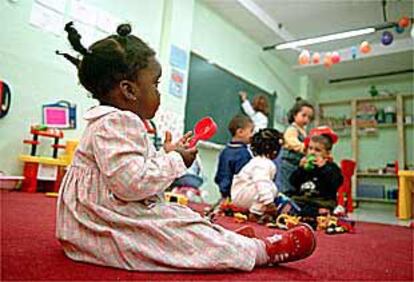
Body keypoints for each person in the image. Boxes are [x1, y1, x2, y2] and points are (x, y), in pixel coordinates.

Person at [55, 21, 316, 271]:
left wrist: (166, 154)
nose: (159, 92)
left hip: (90, 223)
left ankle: (227, 242)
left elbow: (127, 170)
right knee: (177, 226)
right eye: (155, 84)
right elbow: (131, 184)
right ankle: (259, 251)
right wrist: (175, 161)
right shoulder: (119, 121)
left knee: (179, 215)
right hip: (104, 226)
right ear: (129, 90)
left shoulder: (108, 121)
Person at [289, 129, 343, 220]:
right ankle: (306, 214)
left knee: (319, 209)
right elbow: (293, 182)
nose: (312, 152)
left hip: (321, 201)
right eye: (310, 148)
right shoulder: (305, 166)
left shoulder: (331, 167)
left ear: (327, 153)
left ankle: (317, 213)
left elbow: (335, 183)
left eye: (317, 150)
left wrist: (323, 168)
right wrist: (300, 168)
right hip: (302, 200)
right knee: (290, 204)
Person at [231, 129, 283, 220]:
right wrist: (269, 203)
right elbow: (261, 182)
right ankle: (256, 213)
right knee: (270, 188)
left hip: (240, 194)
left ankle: (256, 211)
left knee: (268, 188)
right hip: (242, 195)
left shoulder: (257, 160)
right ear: (275, 151)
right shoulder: (264, 163)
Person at [276, 97, 314, 195]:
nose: (306, 119)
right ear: (294, 115)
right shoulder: (292, 129)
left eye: (309, 117)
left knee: (295, 188)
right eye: (303, 115)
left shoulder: (303, 131)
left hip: (296, 165)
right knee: (286, 189)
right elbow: (293, 142)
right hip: (288, 164)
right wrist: (304, 148)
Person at [214, 114, 254, 199]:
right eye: (251, 131)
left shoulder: (225, 151)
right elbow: (245, 178)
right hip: (238, 196)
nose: (252, 135)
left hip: (224, 194)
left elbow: (219, 176)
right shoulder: (243, 154)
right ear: (240, 132)